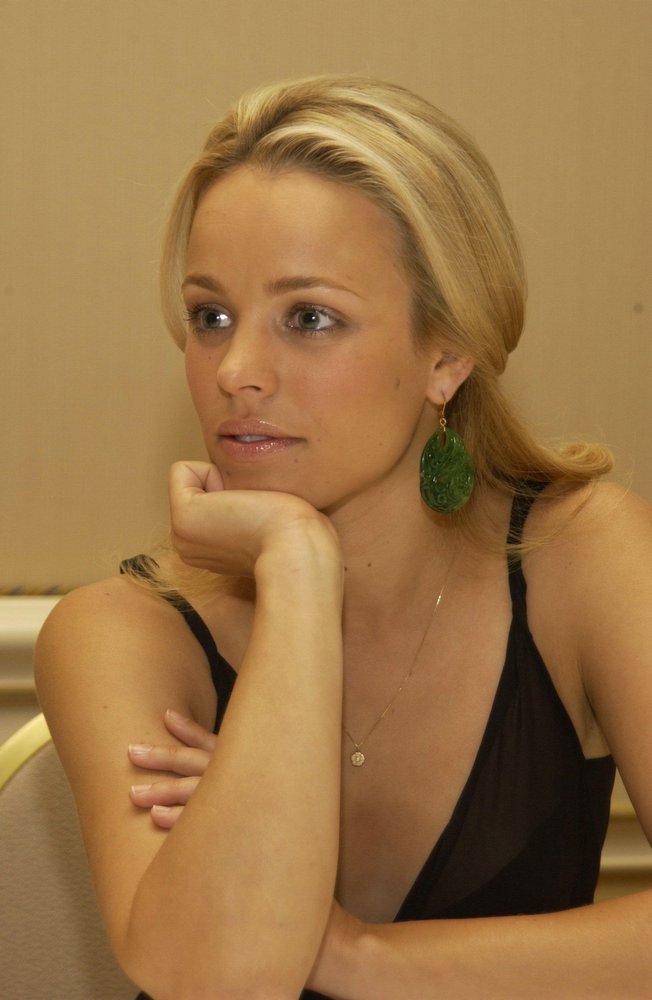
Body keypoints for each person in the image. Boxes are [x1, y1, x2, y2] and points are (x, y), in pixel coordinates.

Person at [35, 75, 652, 1000]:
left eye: (310, 318)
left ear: (447, 353)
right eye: (210, 317)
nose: (236, 371)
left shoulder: (587, 557)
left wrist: (355, 955)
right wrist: (296, 565)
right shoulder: (118, 633)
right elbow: (214, 975)